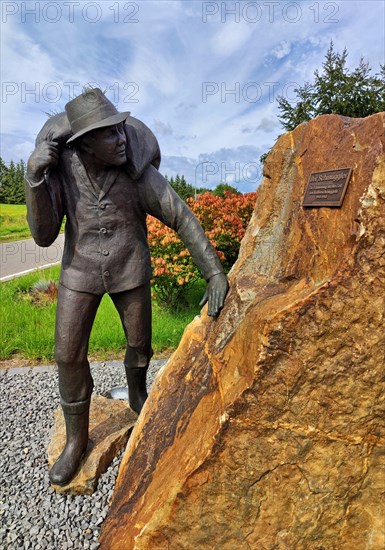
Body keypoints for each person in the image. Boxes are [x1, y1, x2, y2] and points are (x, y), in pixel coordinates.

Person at [25, 88, 229, 486]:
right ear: (84, 143)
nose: (122, 139)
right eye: (110, 134)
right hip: (79, 273)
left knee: (139, 344)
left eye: (122, 130)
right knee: (66, 354)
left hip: (130, 269)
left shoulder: (138, 174)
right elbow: (43, 235)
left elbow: (182, 217)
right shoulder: (63, 172)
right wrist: (34, 179)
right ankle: (76, 439)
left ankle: (138, 394)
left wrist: (214, 272)